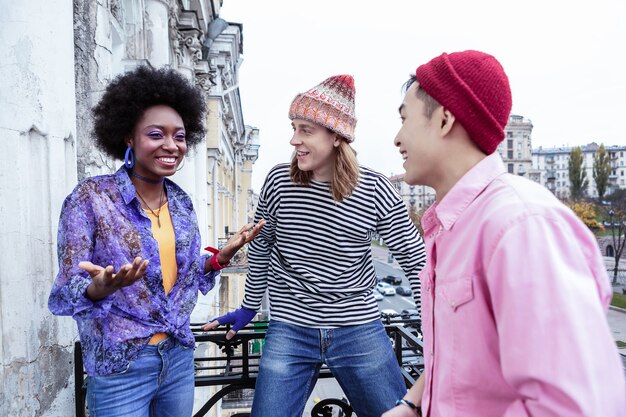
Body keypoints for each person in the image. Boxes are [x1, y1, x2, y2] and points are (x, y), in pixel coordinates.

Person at [383, 50, 626, 417]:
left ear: (445, 119)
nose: (397, 139)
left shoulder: (520, 226)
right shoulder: (456, 225)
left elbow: (574, 406)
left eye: (405, 119)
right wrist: (414, 403)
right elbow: (462, 361)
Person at [203, 74, 427, 417]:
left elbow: (415, 260)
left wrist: (434, 324)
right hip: (290, 329)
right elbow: (261, 247)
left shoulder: (377, 189)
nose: (294, 140)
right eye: (293, 127)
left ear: (336, 136)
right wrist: (249, 307)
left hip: (358, 328)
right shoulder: (279, 182)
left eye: (305, 130)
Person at [48, 66, 264, 417]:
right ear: (128, 138)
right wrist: (98, 288)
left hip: (177, 359)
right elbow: (66, 289)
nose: (171, 145)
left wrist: (219, 258)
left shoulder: (181, 203)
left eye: (179, 136)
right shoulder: (90, 199)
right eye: (156, 134)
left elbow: (183, 277)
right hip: (121, 367)